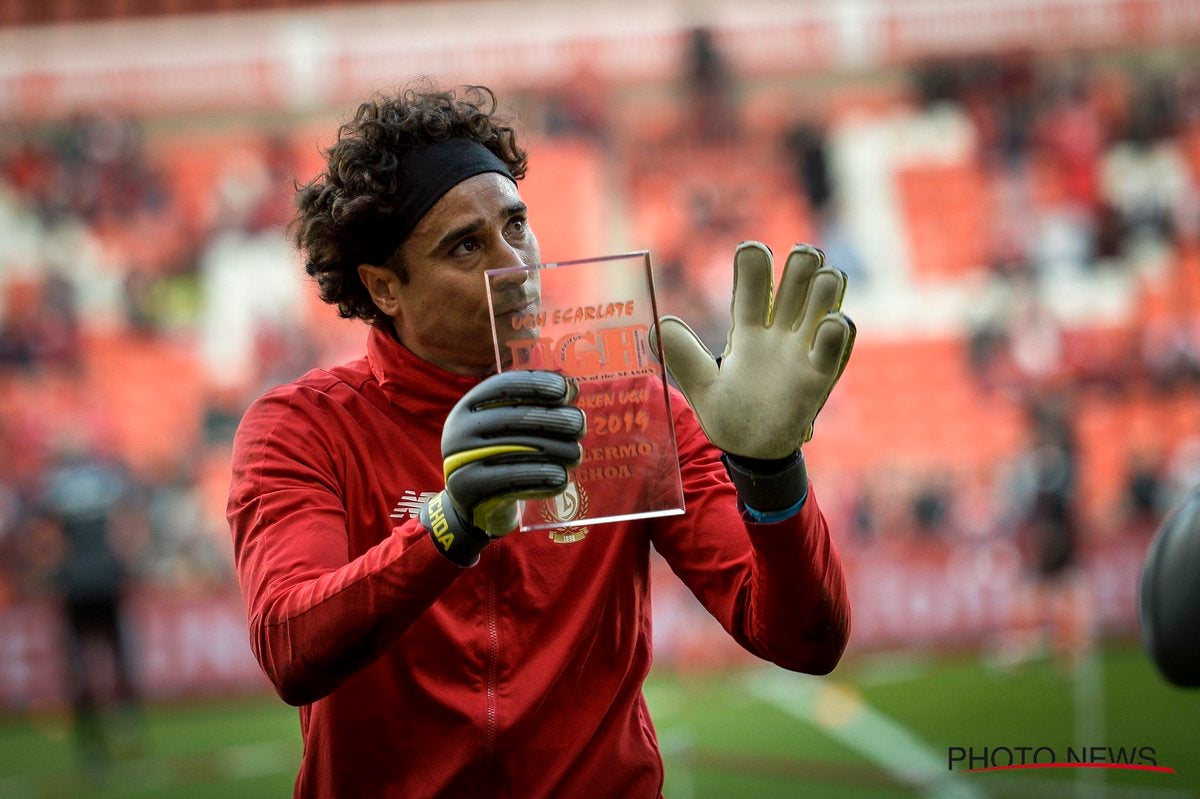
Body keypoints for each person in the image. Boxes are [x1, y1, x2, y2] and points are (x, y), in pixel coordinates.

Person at [227, 82, 856, 798]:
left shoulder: (632, 412)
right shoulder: (302, 428)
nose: (518, 265)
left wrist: (771, 474)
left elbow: (804, 639)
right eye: (466, 245)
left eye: (517, 226)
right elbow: (291, 647)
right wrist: (448, 525)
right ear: (385, 286)